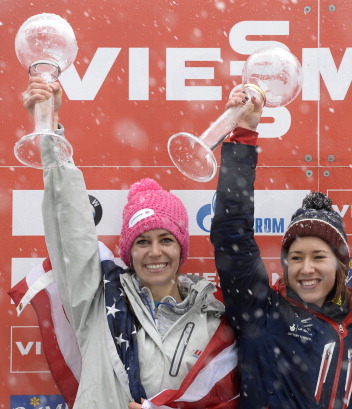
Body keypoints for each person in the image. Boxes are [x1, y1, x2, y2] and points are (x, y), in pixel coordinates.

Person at [23, 77, 238, 409]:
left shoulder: (214, 318)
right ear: (128, 251)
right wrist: (50, 133)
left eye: (166, 239)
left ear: (182, 247)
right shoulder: (97, 300)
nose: (155, 252)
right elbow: (71, 229)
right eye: (142, 241)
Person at [209, 89, 352, 409]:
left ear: (342, 264)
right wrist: (243, 135)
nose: (306, 268)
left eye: (319, 257)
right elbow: (231, 235)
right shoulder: (261, 311)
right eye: (296, 257)